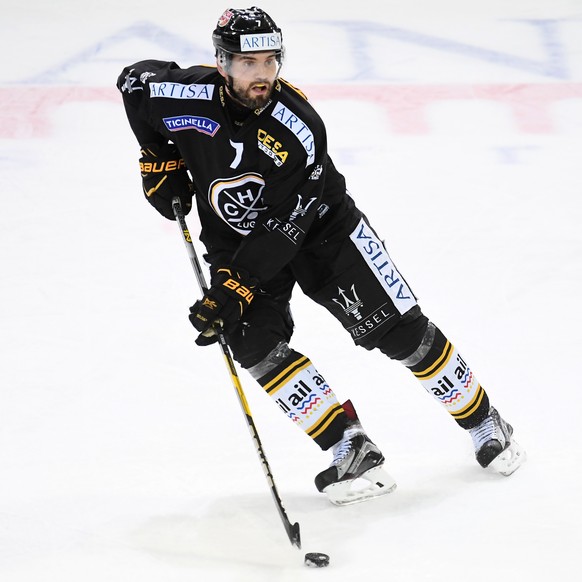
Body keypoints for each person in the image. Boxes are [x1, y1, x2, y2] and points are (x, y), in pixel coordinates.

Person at [117, 6, 525, 505]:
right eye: (248, 62)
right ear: (221, 62)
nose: (262, 73)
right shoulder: (184, 94)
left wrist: (233, 285)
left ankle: (484, 419)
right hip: (237, 237)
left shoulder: (297, 127)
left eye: (271, 60)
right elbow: (134, 82)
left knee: (398, 331)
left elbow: (286, 230)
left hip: (322, 232)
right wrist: (156, 156)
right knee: (250, 341)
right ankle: (349, 446)